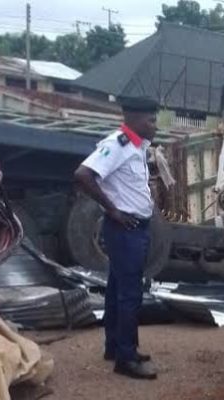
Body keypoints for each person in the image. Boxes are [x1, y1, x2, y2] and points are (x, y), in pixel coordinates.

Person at [73, 96, 159, 380]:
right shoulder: (118, 145)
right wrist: (113, 210)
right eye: (151, 120)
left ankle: (114, 346)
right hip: (126, 229)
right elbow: (83, 175)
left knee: (116, 289)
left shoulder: (136, 146)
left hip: (134, 227)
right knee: (130, 293)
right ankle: (126, 357)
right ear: (133, 119)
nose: (155, 125)